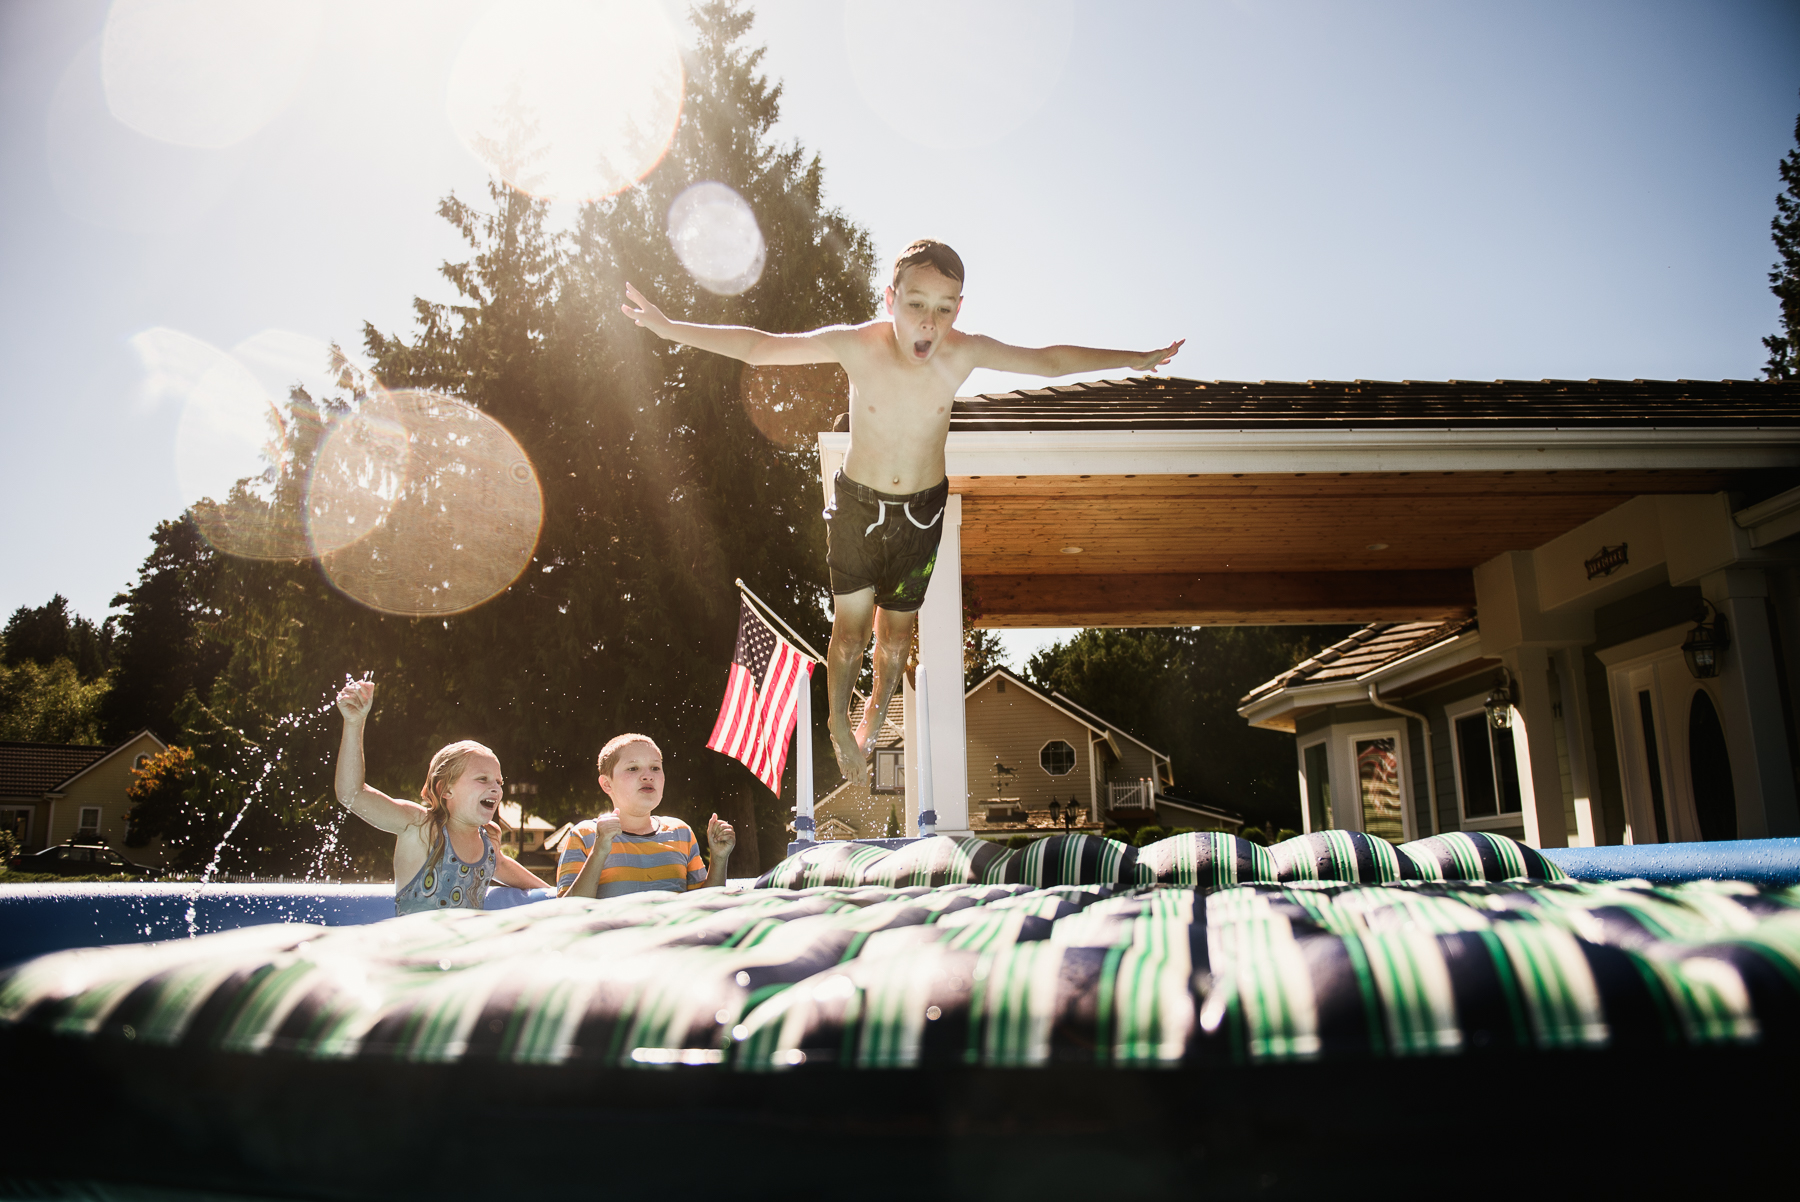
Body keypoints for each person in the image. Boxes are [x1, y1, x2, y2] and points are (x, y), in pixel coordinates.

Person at [621, 239, 1183, 784]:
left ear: (958, 309)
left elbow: (1047, 361)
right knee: (850, 634)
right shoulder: (858, 344)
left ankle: (872, 714)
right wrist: (671, 328)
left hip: (921, 512)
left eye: (943, 309)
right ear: (890, 299)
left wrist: (1133, 359)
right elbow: (763, 347)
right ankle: (839, 719)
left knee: (895, 638)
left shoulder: (965, 350)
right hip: (858, 508)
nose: (928, 325)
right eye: (916, 306)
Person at [334, 677, 552, 915]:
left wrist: (560, 899)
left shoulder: (489, 840)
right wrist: (354, 723)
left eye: (499, 782)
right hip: (415, 949)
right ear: (445, 789)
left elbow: (504, 867)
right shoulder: (421, 827)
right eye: (482, 779)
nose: (496, 788)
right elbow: (352, 795)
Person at [557, 733, 736, 899]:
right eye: (633, 768)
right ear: (606, 784)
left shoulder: (681, 833)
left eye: (655, 767)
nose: (647, 776)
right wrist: (599, 852)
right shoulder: (585, 835)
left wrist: (719, 859)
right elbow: (567, 913)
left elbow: (705, 905)